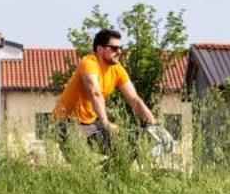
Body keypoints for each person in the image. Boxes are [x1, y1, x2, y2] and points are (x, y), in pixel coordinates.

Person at [50, 29, 172, 157]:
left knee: (128, 146)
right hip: (65, 123)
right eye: (113, 48)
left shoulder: (117, 69)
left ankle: (108, 176)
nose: (119, 51)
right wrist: (106, 123)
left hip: (89, 124)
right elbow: (95, 93)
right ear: (100, 49)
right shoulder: (89, 63)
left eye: (120, 48)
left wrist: (155, 126)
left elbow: (135, 100)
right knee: (83, 159)